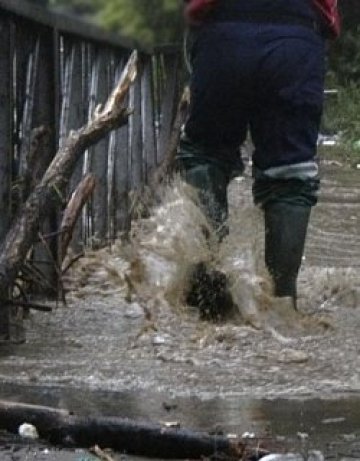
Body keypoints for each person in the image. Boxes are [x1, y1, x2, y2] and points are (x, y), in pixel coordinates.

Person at [176, 0, 340, 311]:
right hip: (297, 35)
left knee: (205, 155)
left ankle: (206, 279)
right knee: (291, 173)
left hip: (222, 31)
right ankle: (282, 302)